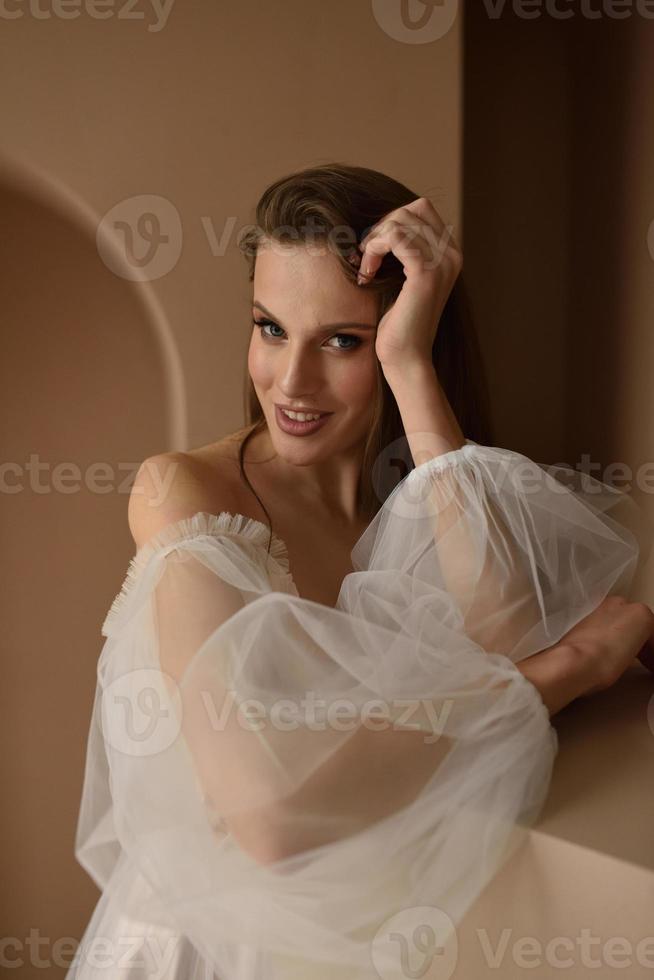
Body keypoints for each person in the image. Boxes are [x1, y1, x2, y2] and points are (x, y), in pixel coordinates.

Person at [68, 163, 654, 980]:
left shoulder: (420, 507)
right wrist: (571, 668)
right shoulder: (186, 492)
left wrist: (410, 365)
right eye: (270, 328)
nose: (291, 383)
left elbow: (508, 631)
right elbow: (271, 820)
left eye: (342, 341)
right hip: (211, 953)